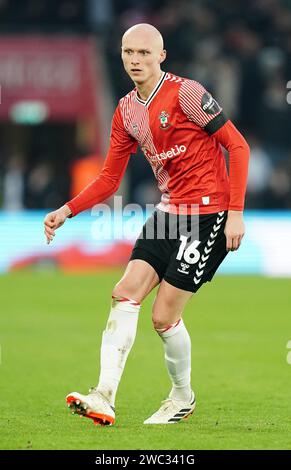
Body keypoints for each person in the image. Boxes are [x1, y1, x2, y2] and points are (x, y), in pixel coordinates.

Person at [44, 24, 250, 426]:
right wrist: (67, 210)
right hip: (168, 214)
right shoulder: (125, 110)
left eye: (143, 52)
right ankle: (103, 396)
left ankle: (181, 397)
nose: (135, 60)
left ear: (161, 55)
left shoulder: (187, 93)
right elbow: (108, 178)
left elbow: (237, 145)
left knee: (162, 317)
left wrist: (237, 212)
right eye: (127, 52)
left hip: (208, 216)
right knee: (124, 292)